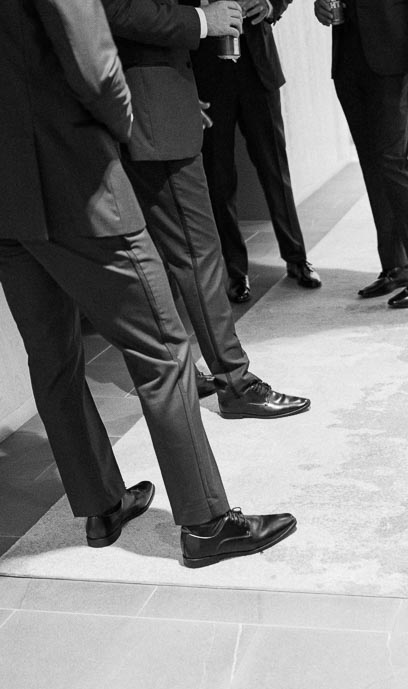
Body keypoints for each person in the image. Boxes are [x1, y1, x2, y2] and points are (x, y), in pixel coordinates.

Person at [0, 0, 296, 567]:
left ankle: (102, 506)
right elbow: (95, 63)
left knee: (51, 355)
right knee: (163, 347)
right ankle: (206, 524)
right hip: (71, 169)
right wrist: (122, 128)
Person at [102, 0, 310, 420]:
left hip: (153, 94)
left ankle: (182, 373)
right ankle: (235, 382)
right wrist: (203, 20)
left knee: (159, 254)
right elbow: (117, 9)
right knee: (198, 251)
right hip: (149, 102)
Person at [313, 0, 408, 310]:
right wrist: (321, 7)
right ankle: (397, 266)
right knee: (373, 164)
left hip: (393, 50)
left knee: (392, 161)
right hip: (349, 54)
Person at [193, 0, 322, 306]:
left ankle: (297, 258)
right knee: (218, 175)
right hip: (208, 71)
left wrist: (269, 5)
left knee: (275, 168)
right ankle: (235, 272)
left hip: (258, 67)